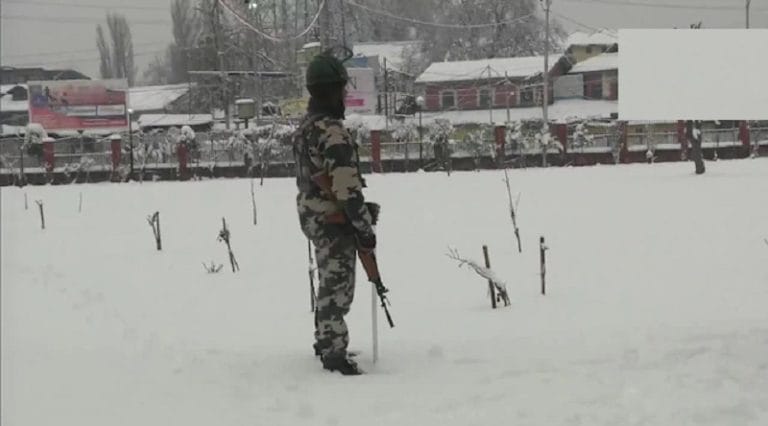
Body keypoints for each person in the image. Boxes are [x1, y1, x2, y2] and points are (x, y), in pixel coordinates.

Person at [293, 51, 376, 376]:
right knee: (338, 286)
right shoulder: (331, 132)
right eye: (341, 89)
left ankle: (325, 338)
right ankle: (334, 353)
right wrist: (365, 226)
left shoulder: (307, 128)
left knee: (328, 277)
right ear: (331, 91)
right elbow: (346, 188)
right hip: (333, 218)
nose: (345, 95)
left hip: (313, 214)